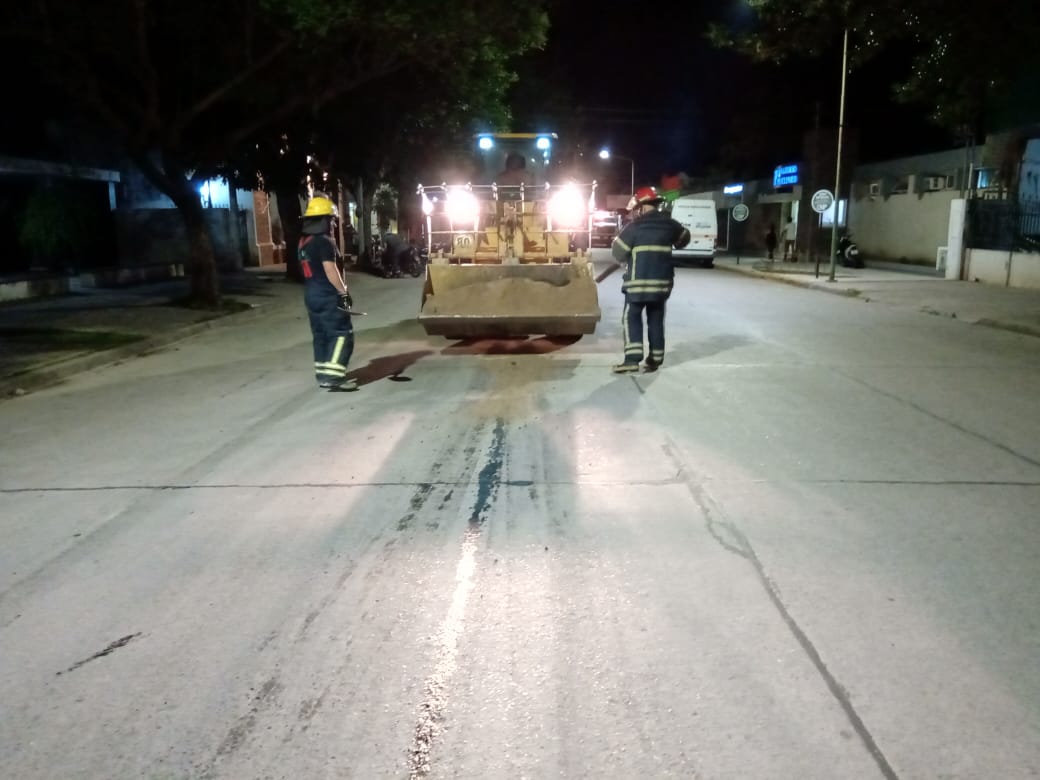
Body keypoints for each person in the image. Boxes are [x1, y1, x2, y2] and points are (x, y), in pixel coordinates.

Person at [609, 186, 690, 374]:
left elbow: (618, 253)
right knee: (656, 319)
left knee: (631, 317)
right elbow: (684, 239)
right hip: (661, 287)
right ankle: (655, 359)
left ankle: (632, 359)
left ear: (642, 207)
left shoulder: (634, 227)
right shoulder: (670, 225)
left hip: (637, 285)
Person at [297, 194, 356, 391]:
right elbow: (331, 270)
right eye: (330, 220)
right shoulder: (324, 242)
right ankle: (335, 377)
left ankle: (323, 375)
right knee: (341, 334)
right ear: (324, 220)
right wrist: (343, 292)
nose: (332, 224)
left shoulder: (303, 242)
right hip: (328, 295)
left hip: (311, 295)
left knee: (321, 335)